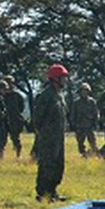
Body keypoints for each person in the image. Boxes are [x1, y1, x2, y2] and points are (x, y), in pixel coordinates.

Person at [31, 63, 69, 201]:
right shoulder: (46, 95)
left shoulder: (59, 95)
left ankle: (52, 191)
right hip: (48, 137)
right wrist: (43, 133)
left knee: (58, 165)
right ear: (55, 79)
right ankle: (42, 193)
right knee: (47, 164)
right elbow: (37, 118)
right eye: (62, 78)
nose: (65, 80)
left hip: (58, 136)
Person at [71, 81, 100, 158]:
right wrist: (73, 124)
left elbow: (96, 113)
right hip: (79, 126)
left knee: (93, 143)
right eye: (82, 91)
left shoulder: (92, 102)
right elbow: (73, 114)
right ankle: (83, 156)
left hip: (89, 126)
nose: (84, 93)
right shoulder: (76, 103)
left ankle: (94, 155)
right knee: (80, 144)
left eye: (86, 91)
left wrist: (95, 123)